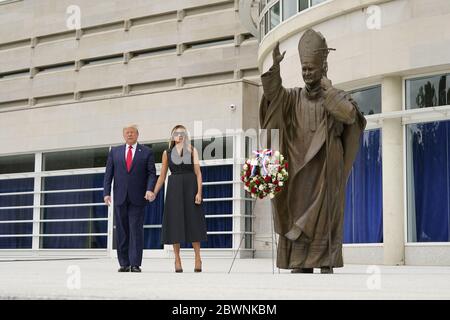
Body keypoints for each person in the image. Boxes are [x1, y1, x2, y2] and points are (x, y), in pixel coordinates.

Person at [259, 29, 366, 274]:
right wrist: (274, 70)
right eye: (304, 69)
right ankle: (299, 262)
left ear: (323, 68)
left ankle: (324, 259)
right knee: (296, 213)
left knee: (324, 217)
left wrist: (328, 90)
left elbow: (350, 115)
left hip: (327, 170)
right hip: (297, 169)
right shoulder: (292, 98)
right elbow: (273, 98)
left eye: (312, 69)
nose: (307, 73)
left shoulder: (336, 97)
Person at [153, 125, 207, 273]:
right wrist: (154, 192)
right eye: (176, 133)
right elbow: (162, 176)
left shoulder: (192, 150)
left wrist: (199, 193)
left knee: (193, 222)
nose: (179, 135)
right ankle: (177, 259)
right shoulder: (166, 153)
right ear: (172, 137)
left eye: (182, 133)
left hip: (191, 188)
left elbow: (198, 173)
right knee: (175, 224)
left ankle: (198, 257)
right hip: (174, 189)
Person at [103, 125, 157, 272]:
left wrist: (149, 189)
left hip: (138, 197)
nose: (129, 134)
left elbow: (152, 173)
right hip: (120, 197)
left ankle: (135, 264)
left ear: (137, 134)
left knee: (136, 230)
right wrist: (106, 192)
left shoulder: (146, 152)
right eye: (127, 132)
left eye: (132, 132)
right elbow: (109, 174)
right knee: (122, 231)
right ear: (123, 135)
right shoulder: (115, 152)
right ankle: (124, 263)